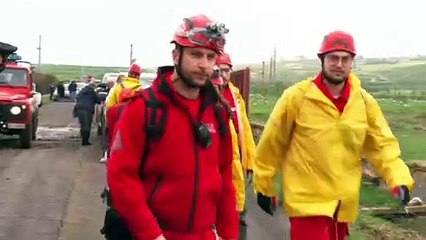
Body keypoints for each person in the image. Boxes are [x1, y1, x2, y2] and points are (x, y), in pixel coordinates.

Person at [253, 30, 415, 240]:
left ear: (352, 63)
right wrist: (263, 185)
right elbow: (272, 143)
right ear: (322, 60)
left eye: (345, 59)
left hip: (342, 206)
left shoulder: (364, 102)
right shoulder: (297, 98)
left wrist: (399, 179)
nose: (339, 64)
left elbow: (383, 146)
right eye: (333, 58)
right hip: (307, 204)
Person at [106, 14, 239, 240]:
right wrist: (152, 234)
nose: (204, 65)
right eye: (196, 55)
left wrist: (229, 235)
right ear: (176, 55)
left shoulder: (217, 111)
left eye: (210, 57)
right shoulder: (144, 108)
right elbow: (121, 177)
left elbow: (225, 178)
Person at [215, 53, 256, 240]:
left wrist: (251, 162)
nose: (223, 75)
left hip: (239, 166)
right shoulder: (208, 94)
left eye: (226, 70)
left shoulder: (235, 95)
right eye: (220, 70)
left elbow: (245, 130)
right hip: (217, 169)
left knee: (240, 214)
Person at [73, 77, 101, 146]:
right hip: (88, 109)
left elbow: (76, 98)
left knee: (82, 124)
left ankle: (83, 137)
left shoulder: (82, 91)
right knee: (87, 125)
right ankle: (85, 141)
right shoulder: (92, 92)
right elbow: (98, 100)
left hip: (79, 108)